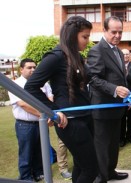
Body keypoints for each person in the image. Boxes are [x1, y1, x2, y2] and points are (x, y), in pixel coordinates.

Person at [25, 16, 99, 183]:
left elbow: (92, 79)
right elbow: (30, 87)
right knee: (91, 169)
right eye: (85, 36)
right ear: (73, 36)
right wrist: (52, 111)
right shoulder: (55, 57)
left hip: (85, 117)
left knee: (80, 165)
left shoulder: (77, 57)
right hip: (71, 123)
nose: (88, 41)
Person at [87, 16, 129, 183]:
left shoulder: (118, 51)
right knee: (102, 145)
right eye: (114, 32)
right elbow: (93, 79)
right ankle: (101, 176)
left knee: (113, 144)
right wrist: (114, 90)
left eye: (120, 32)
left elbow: (120, 78)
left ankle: (111, 171)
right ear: (104, 30)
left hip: (117, 107)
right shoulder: (97, 50)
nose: (118, 35)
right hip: (102, 108)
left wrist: (126, 98)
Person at [8, 58, 47, 182]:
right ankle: (25, 177)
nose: (33, 70)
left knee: (38, 150)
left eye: (34, 67)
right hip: (24, 125)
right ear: (21, 69)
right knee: (26, 152)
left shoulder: (37, 83)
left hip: (38, 123)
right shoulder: (15, 84)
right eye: (29, 68)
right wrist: (41, 114)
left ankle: (38, 173)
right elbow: (22, 104)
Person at [119, 48, 131, 147]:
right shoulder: (118, 66)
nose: (125, 56)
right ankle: (121, 138)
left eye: (127, 54)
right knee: (122, 119)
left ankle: (129, 135)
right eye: (123, 54)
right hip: (121, 98)